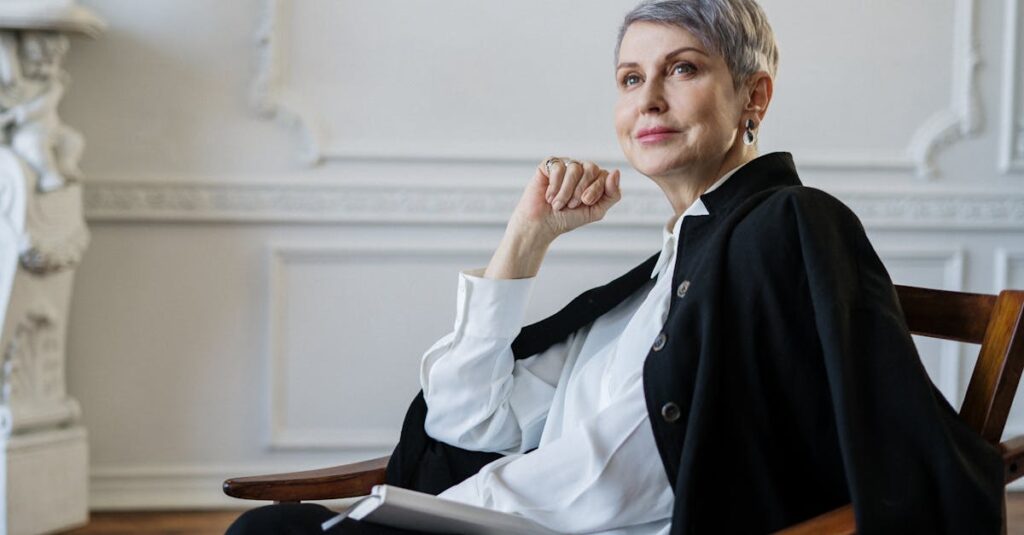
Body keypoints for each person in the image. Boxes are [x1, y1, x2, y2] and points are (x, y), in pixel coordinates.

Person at [227, 1, 1005, 533]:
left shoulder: (784, 225)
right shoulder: (665, 270)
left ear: (753, 95)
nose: (649, 100)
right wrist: (525, 239)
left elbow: (636, 469)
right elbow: (466, 421)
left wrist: (447, 512)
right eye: (632, 78)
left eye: (683, 69)